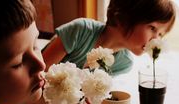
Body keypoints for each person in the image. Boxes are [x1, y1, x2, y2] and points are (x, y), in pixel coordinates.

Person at [42, 0, 176, 76]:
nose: (156, 40)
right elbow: (37, 75)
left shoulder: (124, 63)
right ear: (122, 18)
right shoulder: (80, 31)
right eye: (152, 28)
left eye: (160, 34)